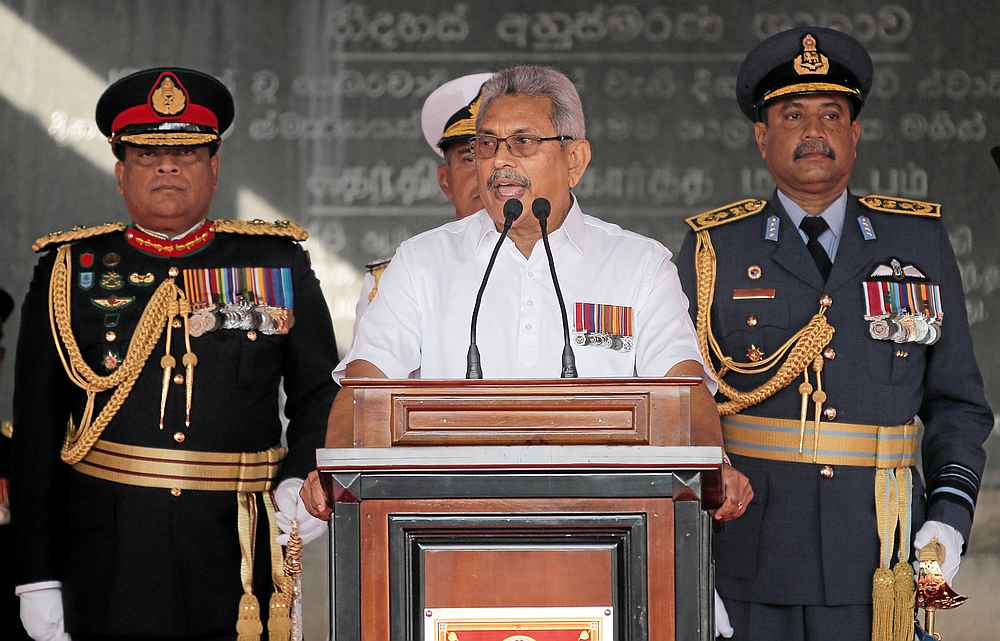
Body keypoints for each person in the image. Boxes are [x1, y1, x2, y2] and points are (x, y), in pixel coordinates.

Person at [302, 64, 753, 525]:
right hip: (448, 527)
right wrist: (336, 466)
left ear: (575, 160)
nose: (500, 161)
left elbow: (682, 389)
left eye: (522, 142)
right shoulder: (422, 261)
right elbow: (364, 386)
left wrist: (716, 465)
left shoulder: (638, 265)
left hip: (607, 526)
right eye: (487, 145)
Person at [676, 27, 993, 641]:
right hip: (749, 557)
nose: (813, 130)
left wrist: (950, 518)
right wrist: (692, 556)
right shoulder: (715, 248)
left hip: (880, 552)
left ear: (855, 134)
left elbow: (958, 405)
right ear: (762, 137)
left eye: (832, 113)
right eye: (792, 115)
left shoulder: (916, 242)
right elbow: (683, 404)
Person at [11, 67, 340, 641]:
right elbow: (40, 434)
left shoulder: (276, 261)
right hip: (110, 543)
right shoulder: (70, 268)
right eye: (146, 154)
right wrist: (36, 575)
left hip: (238, 544)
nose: (167, 165)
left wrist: (302, 478)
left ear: (214, 168)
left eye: (187, 152)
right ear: (120, 172)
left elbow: (318, 394)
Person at [353, 72, 492, 331]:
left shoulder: (572, 264)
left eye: (496, 153)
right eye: (470, 158)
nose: (486, 174)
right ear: (445, 181)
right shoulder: (397, 279)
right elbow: (370, 371)